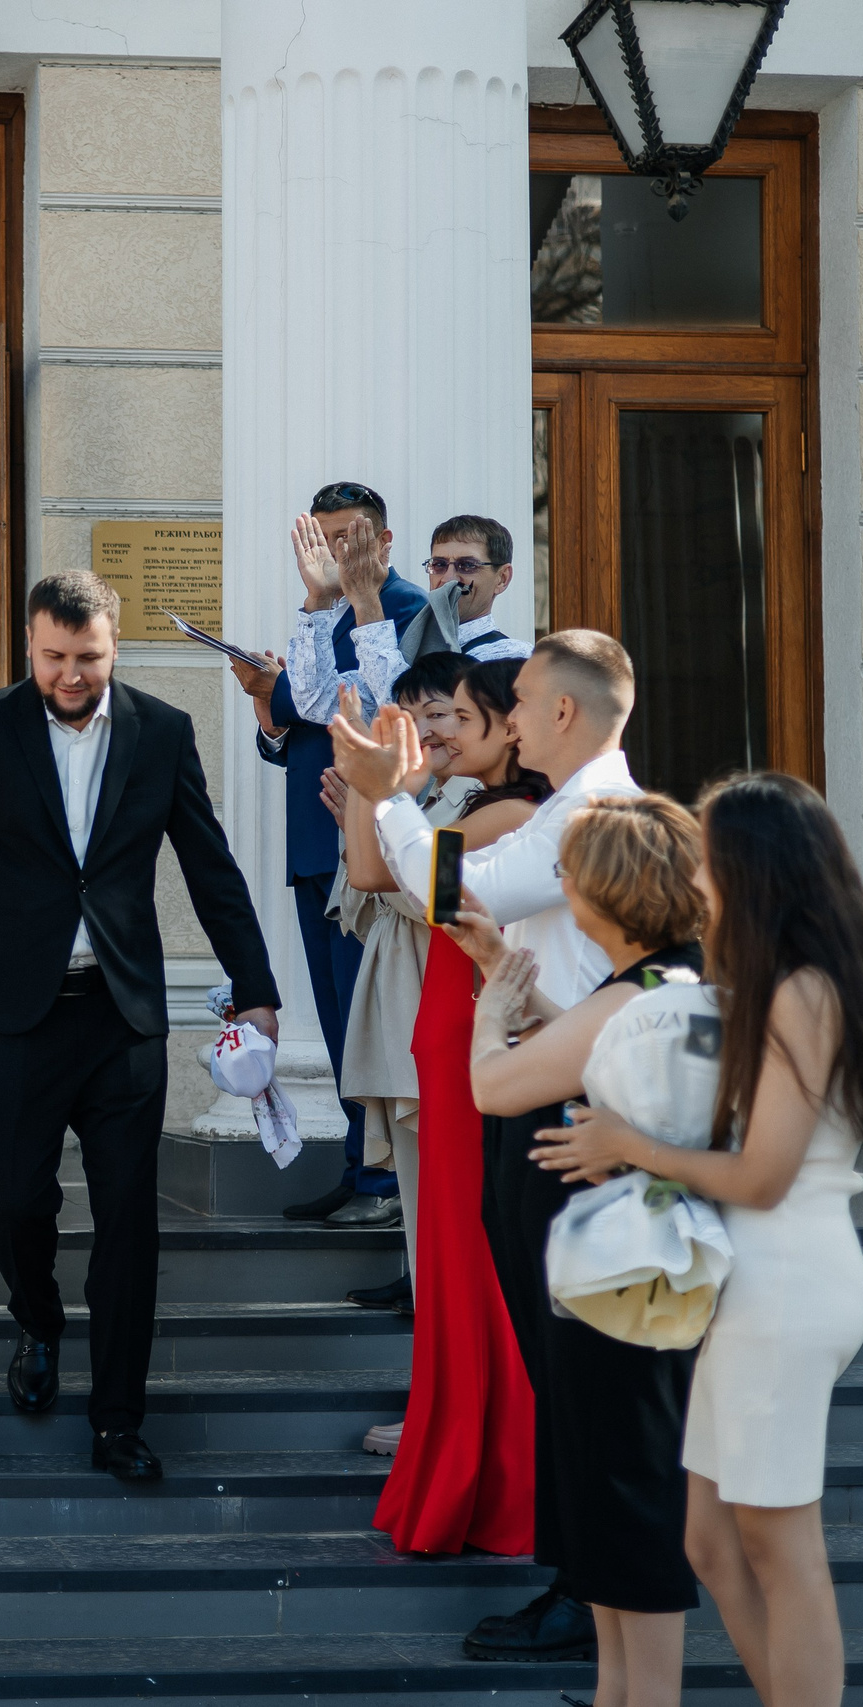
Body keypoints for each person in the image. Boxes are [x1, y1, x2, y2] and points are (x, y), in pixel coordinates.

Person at [531, 773, 863, 1707]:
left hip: (788, 1278)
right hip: (758, 1279)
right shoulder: (774, 983)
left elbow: (762, 1175)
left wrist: (629, 1147)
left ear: (753, 866)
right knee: (709, 1538)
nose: (695, 876)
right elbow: (638, 1059)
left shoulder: (805, 992)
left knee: (782, 1546)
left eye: (707, 855)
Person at [0, 572, 282, 1482]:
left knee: (129, 1224)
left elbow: (209, 866)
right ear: (30, 647)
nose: (72, 674)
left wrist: (256, 986)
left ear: (115, 646)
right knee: (10, 1196)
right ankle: (37, 1316)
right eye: (55, 657)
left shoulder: (162, 731)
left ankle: (118, 1419)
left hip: (121, 1014)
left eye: (90, 657)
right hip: (16, 1013)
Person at [330, 629, 645, 1663]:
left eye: (518, 699)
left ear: (559, 713)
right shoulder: (574, 802)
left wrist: (382, 792)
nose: (507, 717)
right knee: (557, 1360)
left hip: (565, 1102)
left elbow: (445, 884)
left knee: (572, 1364)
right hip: (540, 1080)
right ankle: (576, 1580)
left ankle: (584, 1590)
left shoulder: (589, 808)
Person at [447, 795, 708, 1707]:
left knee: (625, 1498)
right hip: (617, 1280)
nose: (559, 886)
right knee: (600, 1494)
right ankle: (614, 1692)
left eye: (570, 873)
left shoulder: (644, 997)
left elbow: (497, 1084)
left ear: (608, 892)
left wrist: (490, 1011)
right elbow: (584, 1042)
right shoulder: (659, 985)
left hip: (624, 1291)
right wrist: (509, 974)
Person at [334, 658, 542, 1535]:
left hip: (479, 1054)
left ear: (512, 726)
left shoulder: (513, 813)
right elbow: (366, 870)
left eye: (462, 714)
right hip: (449, 1047)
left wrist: (384, 792)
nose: (445, 728)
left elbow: (431, 888)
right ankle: (452, 1443)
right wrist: (368, 778)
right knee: (451, 1256)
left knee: (470, 1258)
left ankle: (482, 1469)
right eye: (437, 714)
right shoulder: (463, 804)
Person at [228, 483, 426, 1222]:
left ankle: (384, 1180)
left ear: (384, 539)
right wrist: (271, 697)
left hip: (372, 848)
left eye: (352, 535)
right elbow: (304, 713)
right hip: (314, 840)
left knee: (370, 1018)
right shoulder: (328, 608)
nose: (339, 551)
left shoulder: (405, 607)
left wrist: (280, 688)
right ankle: (358, 1162)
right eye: (325, 537)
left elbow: (348, 705)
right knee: (339, 1018)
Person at [330, 650, 479, 1315]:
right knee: (428, 1206)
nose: (432, 732)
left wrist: (381, 800)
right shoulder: (422, 798)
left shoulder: (487, 806)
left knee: (457, 1213)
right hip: (415, 1003)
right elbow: (363, 885)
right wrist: (369, 800)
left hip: (460, 1016)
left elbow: (432, 896)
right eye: (413, 720)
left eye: (448, 714)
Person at [402, 516, 533, 664]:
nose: (448, 579)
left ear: (502, 578)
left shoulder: (512, 656)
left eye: (468, 565)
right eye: (439, 564)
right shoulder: (407, 639)